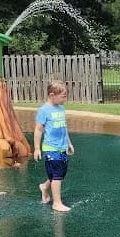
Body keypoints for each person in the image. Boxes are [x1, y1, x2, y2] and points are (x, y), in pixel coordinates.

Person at [34, 80, 75, 212]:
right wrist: (37, 148)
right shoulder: (44, 110)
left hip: (62, 146)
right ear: (52, 95)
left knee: (60, 173)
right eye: (63, 96)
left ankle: (45, 187)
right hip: (51, 148)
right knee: (57, 175)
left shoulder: (61, 108)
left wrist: (69, 143)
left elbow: (64, 127)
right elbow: (38, 130)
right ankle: (56, 203)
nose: (65, 99)